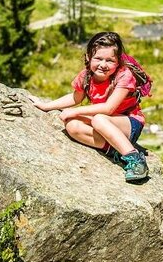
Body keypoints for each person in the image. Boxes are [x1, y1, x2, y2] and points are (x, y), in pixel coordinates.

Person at [34, 31, 149, 183]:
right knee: (72, 126)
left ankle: (135, 160)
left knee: (99, 119)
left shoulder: (124, 76)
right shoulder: (86, 76)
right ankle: (115, 150)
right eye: (98, 58)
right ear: (89, 57)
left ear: (118, 61)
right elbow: (76, 97)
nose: (103, 64)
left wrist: (75, 111)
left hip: (129, 123)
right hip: (105, 122)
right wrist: (46, 106)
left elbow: (108, 108)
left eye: (110, 60)